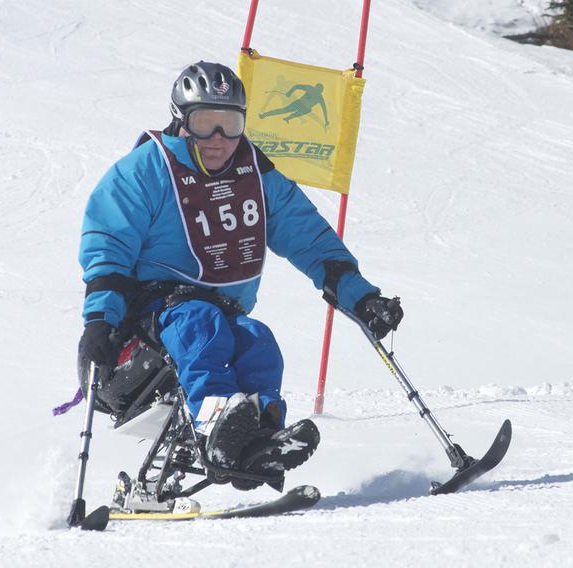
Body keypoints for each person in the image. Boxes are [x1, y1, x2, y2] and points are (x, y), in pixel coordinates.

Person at [77, 61, 403, 489]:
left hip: (215, 310)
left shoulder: (253, 171)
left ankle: (260, 439)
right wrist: (99, 320)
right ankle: (216, 428)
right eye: (205, 123)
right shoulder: (145, 169)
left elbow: (308, 236)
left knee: (258, 340)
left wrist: (360, 297)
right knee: (202, 325)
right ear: (182, 121)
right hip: (139, 324)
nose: (218, 139)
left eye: (230, 124)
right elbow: (108, 246)